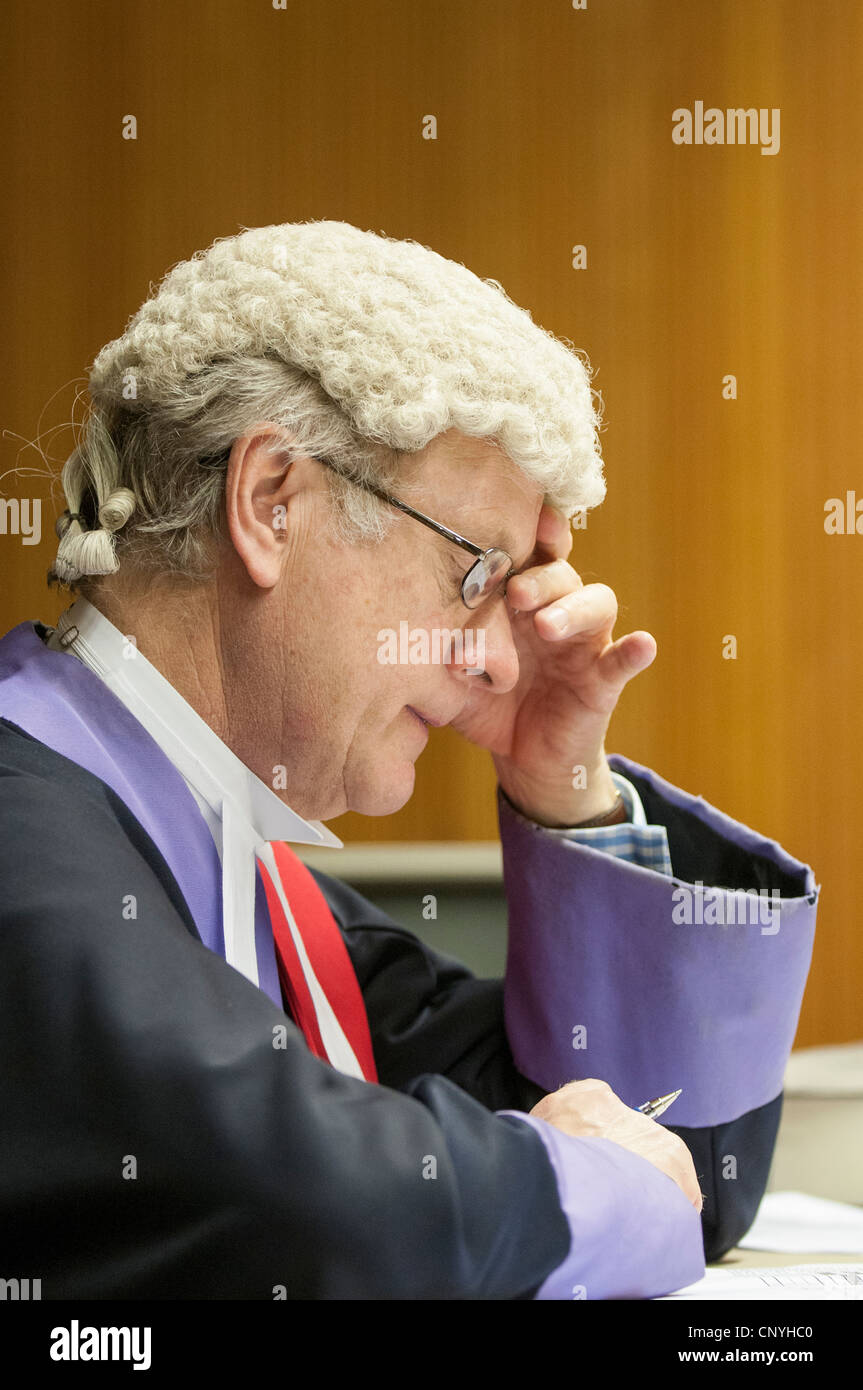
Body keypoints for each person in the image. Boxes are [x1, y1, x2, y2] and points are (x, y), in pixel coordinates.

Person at [0, 221, 817, 1300]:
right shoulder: (26, 833)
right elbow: (318, 1213)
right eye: (476, 573)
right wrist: (578, 1179)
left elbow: (676, 1159)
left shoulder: (250, 878)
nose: (498, 658)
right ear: (270, 504)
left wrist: (561, 788)